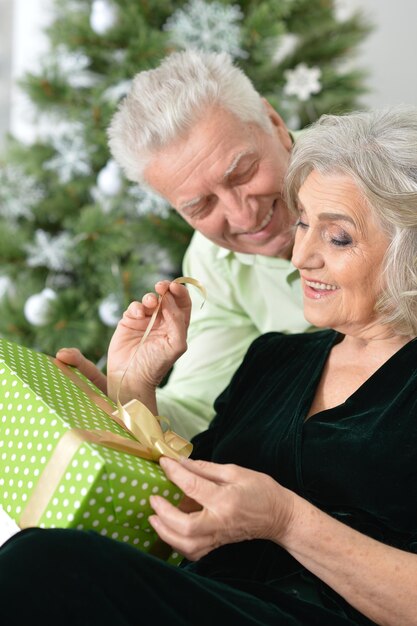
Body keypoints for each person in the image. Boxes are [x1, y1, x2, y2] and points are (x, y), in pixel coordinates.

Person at [2, 106, 417, 626]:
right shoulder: (274, 360)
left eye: (337, 238)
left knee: (44, 565)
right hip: (204, 597)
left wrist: (287, 521)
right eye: (304, 225)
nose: (300, 256)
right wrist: (132, 389)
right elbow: (182, 512)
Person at [56, 49, 311, 440]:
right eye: (200, 205)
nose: (243, 217)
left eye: (242, 173)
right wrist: (127, 393)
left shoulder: (384, 170)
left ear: (274, 122)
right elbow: (200, 408)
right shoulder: (212, 261)